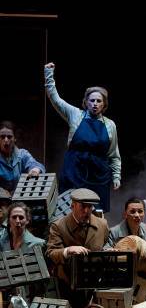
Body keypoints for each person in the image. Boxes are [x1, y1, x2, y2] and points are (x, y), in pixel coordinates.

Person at [44, 63, 121, 213]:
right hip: (74, 170)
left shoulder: (110, 125)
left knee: (95, 214)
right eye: (92, 100)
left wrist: (116, 176)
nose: (95, 104)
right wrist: (49, 74)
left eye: (99, 101)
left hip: (98, 174)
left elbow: (114, 154)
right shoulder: (76, 115)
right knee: (70, 210)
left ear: (104, 104)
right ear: (85, 102)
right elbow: (55, 99)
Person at [0, 121, 45, 194]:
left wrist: (35, 170)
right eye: (2, 137)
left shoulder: (22, 154)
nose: (6, 140)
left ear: (14, 139)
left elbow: (34, 164)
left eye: (9, 137)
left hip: (20, 200)